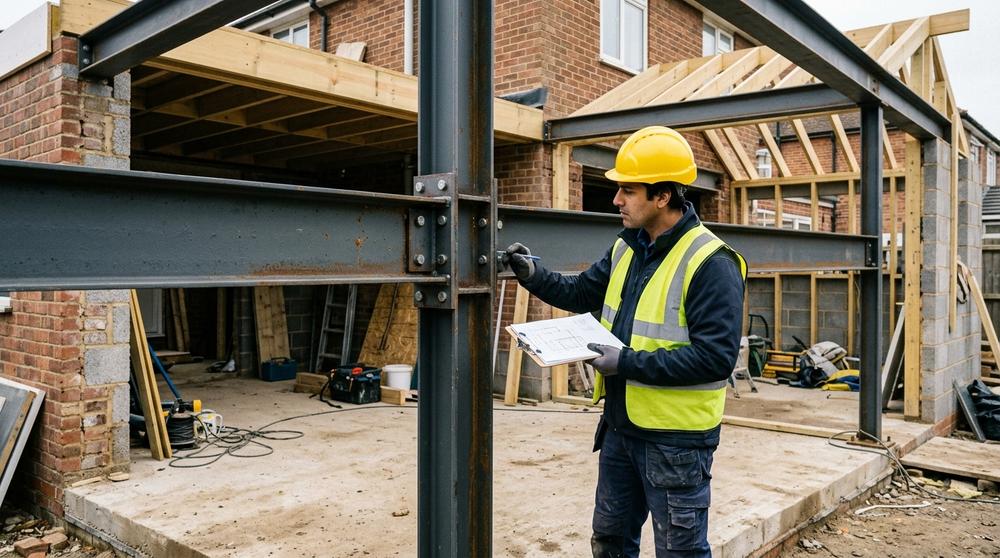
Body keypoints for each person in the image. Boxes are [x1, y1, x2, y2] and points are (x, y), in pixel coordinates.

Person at [503, 126, 747, 557]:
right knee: (610, 543)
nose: (616, 199)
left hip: (676, 444)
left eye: (628, 190)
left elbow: (715, 359)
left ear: (663, 196)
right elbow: (581, 293)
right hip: (620, 430)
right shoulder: (627, 247)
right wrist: (533, 275)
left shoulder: (711, 262)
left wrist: (626, 362)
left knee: (680, 553)